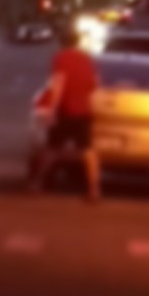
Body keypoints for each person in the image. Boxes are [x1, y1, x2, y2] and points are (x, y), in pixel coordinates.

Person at [29, 24, 101, 202]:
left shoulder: (60, 58)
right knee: (88, 151)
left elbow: (58, 83)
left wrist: (52, 110)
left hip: (66, 109)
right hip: (84, 110)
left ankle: (38, 183)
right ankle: (93, 189)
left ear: (62, 42)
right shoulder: (86, 58)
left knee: (52, 149)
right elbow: (95, 83)